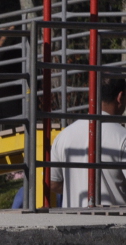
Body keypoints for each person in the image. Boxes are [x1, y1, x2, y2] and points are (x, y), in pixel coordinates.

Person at [49, 76, 126, 208]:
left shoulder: (64, 135)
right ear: (120, 96)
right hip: (114, 222)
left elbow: (53, 183)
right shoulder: (122, 136)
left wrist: (76, 189)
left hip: (73, 223)